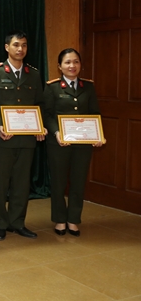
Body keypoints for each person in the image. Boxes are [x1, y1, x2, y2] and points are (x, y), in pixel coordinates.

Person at [0, 30, 46, 241]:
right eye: (16, 45)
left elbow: (39, 104)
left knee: (22, 183)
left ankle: (17, 222)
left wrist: (39, 125)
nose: (20, 49)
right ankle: (0, 224)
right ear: (7, 47)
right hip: (4, 139)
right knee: (1, 184)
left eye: (24, 45)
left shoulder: (34, 74)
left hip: (27, 139)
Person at [43, 48, 103, 236]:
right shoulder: (52, 87)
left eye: (76, 62)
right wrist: (56, 132)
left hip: (83, 144)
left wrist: (98, 135)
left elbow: (94, 113)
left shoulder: (88, 87)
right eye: (68, 62)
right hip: (59, 143)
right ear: (59, 66)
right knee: (59, 182)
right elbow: (47, 115)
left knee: (78, 181)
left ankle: (74, 219)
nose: (72, 66)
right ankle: (60, 219)